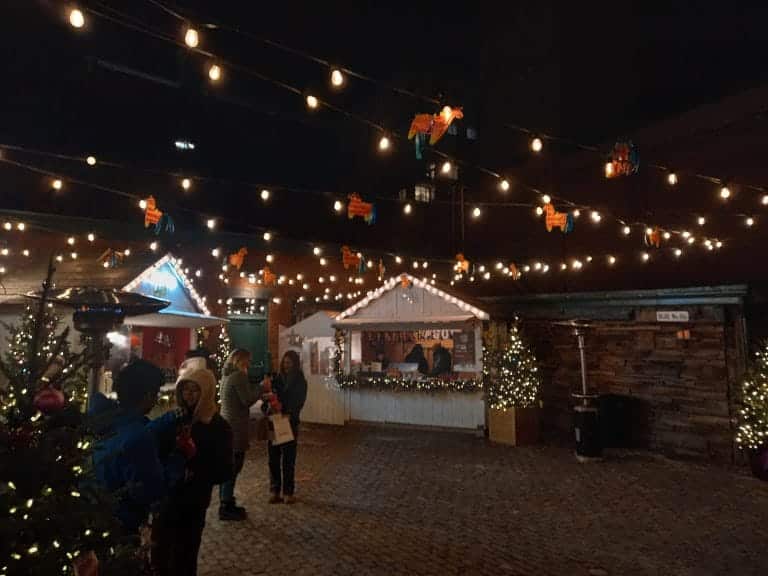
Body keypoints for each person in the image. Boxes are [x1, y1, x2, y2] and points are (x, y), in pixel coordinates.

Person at [89, 359, 187, 534]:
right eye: (156, 393)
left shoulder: (105, 419)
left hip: (96, 516)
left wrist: (166, 421)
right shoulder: (139, 438)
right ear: (148, 395)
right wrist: (178, 457)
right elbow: (152, 491)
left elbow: (134, 429)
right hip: (122, 526)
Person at [152, 368, 233, 576]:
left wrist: (195, 471)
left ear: (206, 392)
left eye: (195, 390)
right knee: (160, 550)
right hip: (167, 498)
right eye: (185, 389)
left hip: (194, 500)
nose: (189, 395)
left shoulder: (218, 426)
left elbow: (224, 469)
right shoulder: (174, 419)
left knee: (185, 554)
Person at [219, 348, 260, 520]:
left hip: (226, 425)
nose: (249, 364)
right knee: (234, 466)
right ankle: (226, 505)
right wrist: (261, 388)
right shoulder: (239, 376)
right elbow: (247, 400)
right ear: (240, 361)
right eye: (248, 361)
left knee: (228, 466)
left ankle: (225, 500)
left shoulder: (226, 376)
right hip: (236, 427)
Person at [263, 350, 307, 504]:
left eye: (289, 362)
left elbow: (299, 401)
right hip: (274, 421)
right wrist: (267, 406)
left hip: (289, 422)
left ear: (295, 364)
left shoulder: (300, 381)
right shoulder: (276, 379)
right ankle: (275, 490)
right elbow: (267, 398)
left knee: (288, 459)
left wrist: (289, 412)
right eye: (285, 362)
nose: (286, 365)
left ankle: (288, 492)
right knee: (273, 457)